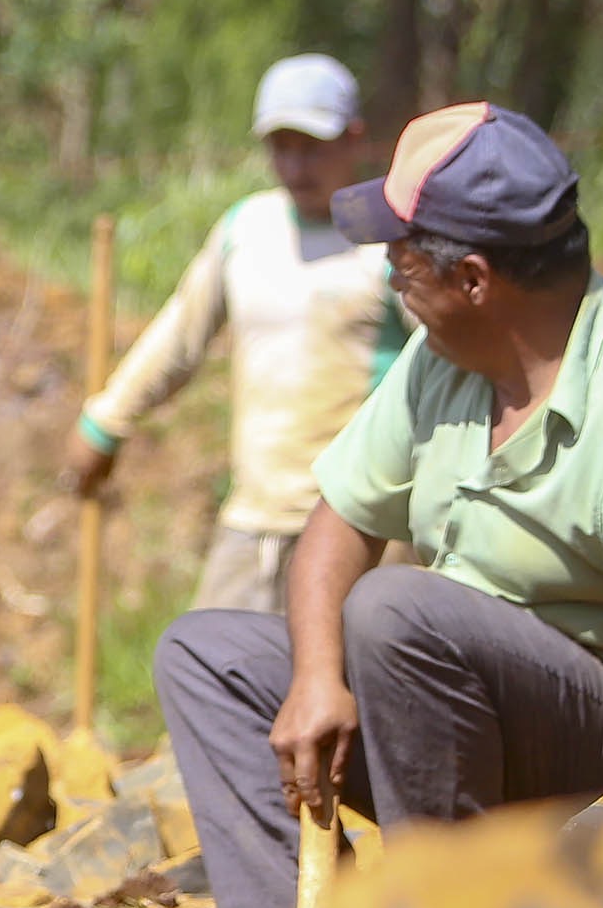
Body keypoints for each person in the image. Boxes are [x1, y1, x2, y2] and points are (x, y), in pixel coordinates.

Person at [152, 101, 603, 908]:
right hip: (453, 711)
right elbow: (340, 519)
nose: (390, 277)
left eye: (402, 259)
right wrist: (318, 677)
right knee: (207, 652)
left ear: (474, 279)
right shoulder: (446, 357)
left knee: (399, 612)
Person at [64, 53, 405, 614]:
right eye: (281, 147)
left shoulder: (388, 244)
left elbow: (452, 362)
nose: (295, 167)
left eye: (312, 147)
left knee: (351, 692)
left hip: (364, 527)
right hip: (256, 523)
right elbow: (180, 334)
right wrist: (106, 421)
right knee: (212, 673)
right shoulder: (247, 230)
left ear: (355, 139)